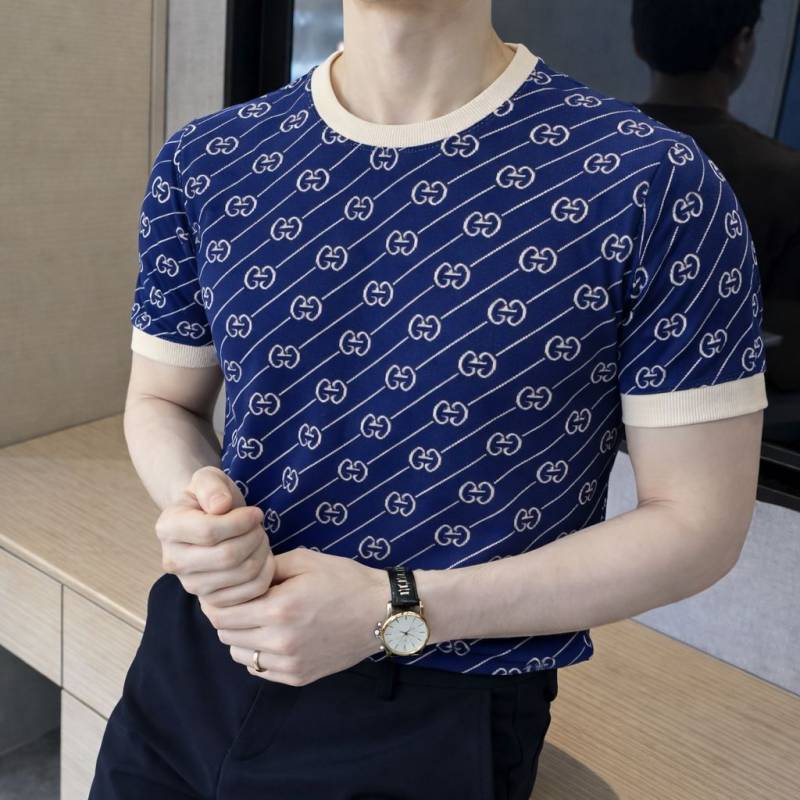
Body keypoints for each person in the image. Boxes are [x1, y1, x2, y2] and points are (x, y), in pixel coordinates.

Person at [89, 1, 768, 798]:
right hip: (193, 654)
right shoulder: (208, 160)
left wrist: (397, 606)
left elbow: (699, 524)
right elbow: (163, 403)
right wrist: (198, 505)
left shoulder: (653, 183)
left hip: (440, 702)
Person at [632, 0, 800, 394]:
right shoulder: (786, 180)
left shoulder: (581, 152)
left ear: (638, 41)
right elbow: (788, 359)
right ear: (739, 45)